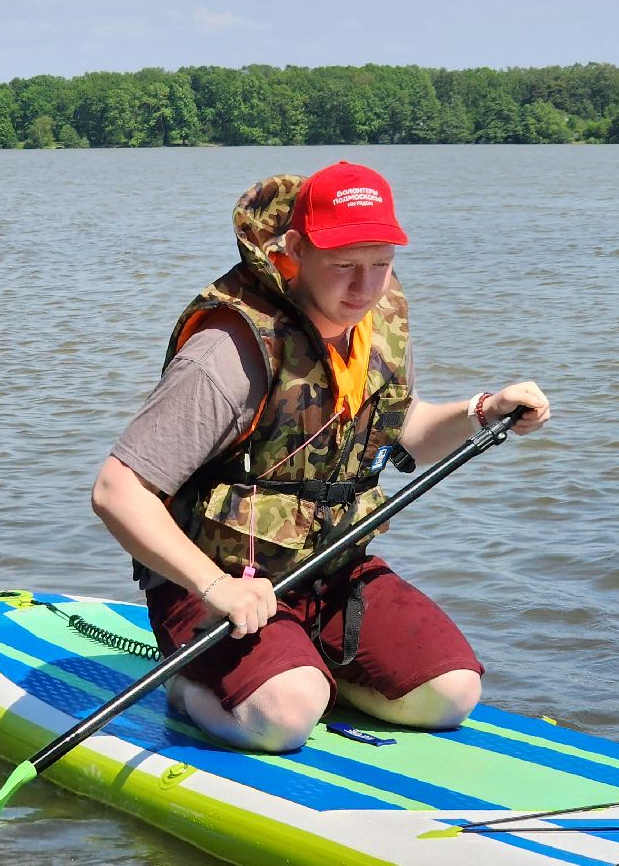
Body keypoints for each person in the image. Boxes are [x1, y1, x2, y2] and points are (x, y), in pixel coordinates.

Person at [91, 161, 550, 753]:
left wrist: (484, 410)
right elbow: (117, 491)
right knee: (285, 715)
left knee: (451, 694)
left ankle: (302, 668)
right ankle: (196, 684)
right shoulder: (229, 350)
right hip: (221, 580)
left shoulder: (377, 322)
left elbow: (401, 430)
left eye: (380, 265)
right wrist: (216, 588)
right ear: (297, 249)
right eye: (343, 266)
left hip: (329, 567)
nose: (364, 287)